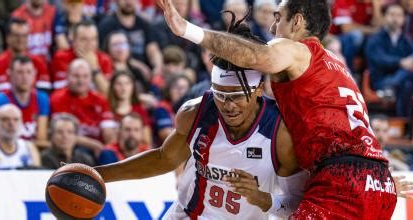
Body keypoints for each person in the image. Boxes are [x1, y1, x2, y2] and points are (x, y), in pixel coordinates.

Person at [157, 0, 398, 218]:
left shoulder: (300, 50)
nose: (272, 29)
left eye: (278, 18)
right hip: (379, 183)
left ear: (297, 21)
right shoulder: (335, 65)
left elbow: (255, 56)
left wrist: (187, 30)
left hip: (343, 178)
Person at [94, 18, 307, 219]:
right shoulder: (195, 112)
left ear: (259, 89)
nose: (228, 105)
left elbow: (297, 207)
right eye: (221, 95)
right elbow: (163, 159)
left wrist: (261, 198)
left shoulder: (280, 132)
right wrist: (96, 174)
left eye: (236, 96)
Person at [365, 3, 413, 117]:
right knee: (407, 78)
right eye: (392, 15)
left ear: (403, 19)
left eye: (399, 15)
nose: (395, 19)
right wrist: (401, 62)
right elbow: (380, 60)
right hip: (380, 81)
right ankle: (406, 123)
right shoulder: (375, 38)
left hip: (397, 82)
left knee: (408, 83)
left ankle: (404, 122)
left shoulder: (405, 38)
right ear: (385, 17)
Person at [50, 59, 115, 155]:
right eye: (76, 76)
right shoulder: (57, 98)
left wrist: (108, 145)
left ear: (91, 78)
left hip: (99, 149)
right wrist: (93, 144)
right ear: (67, 76)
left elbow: (108, 132)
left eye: (85, 76)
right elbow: (62, 135)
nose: (81, 81)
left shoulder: (101, 100)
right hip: (74, 147)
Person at [0, 56, 50, 148]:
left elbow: (41, 139)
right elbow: (2, 141)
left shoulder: (41, 99)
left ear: (34, 74)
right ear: (10, 74)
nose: (25, 77)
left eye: (28, 72)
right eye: (20, 72)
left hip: (34, 151)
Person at [98, 0, 163, 75]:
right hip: (117, 71)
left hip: (144, 74)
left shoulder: (144, 24)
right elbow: (104, 54)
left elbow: (152, 49)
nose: (128, 1)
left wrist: (157, 67)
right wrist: (137, 65)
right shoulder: (106, 25)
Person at [51, 20, 111, 95]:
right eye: (84, 39)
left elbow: (108, 94)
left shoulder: (104, 59)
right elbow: (60, 93)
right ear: (74, 41)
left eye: (93, 39)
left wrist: (95, 68)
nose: (89, 44)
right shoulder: (61, 58)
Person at [0, 18, 50, 93]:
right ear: (8, 38)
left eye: (24, 36)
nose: (20, 40)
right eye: (16, 35)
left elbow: (44, 94)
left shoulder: (39, 63)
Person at [107, 71, 153, 146]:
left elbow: (147, 141)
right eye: (119, 84)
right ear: (112, 86)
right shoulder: (106, 109)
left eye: (127, 83)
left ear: (133, 87)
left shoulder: (140, 110)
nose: (123, 88)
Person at [0, 104, 40, 169]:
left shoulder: (29, 147)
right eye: (5, 119)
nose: (11, 123)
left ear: (21, 123)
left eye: (16, 119)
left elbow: (37, 175)